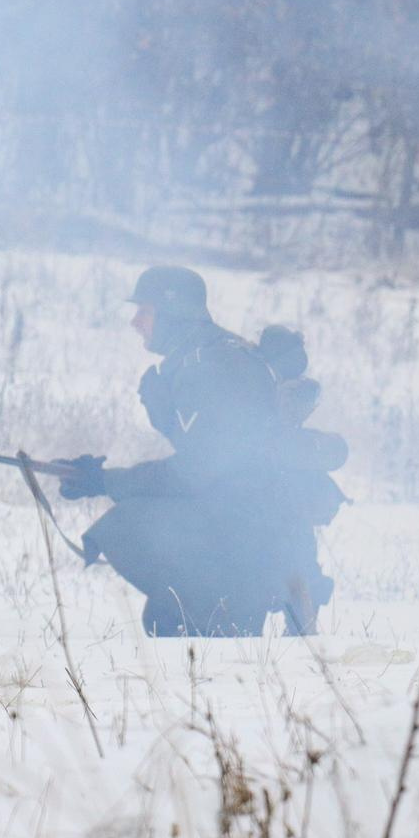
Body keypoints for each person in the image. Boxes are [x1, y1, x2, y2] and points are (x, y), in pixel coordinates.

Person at [56, 266, 342, 637]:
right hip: (251, 521)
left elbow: (196, 472)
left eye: (145, 309)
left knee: (127, 525)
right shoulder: (213, 354)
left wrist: (105, 481)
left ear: (172, 311)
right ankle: (230, 604)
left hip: (248, 531)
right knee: (164, 621)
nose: (135, 321)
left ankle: (236, 607)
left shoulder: (209, 368)